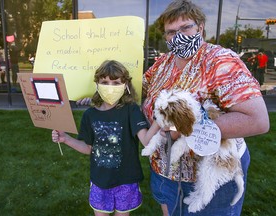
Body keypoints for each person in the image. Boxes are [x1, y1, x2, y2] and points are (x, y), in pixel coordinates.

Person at [140, 0, 270, 215]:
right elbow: (139, 91)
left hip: (211, 174)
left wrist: (185, 127)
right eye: (171, 32)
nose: (178, 36)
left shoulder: (221, 61)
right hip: (165, 171)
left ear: (200, 27)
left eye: (186, 27)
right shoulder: (164, 63)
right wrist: (100, 96)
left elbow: (257, 119)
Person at [52, 60, 159, 216]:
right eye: (105, 82)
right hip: (100, 181)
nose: (110, 87)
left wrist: (158, 120)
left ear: (126, 86)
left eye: (116, 83)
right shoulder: (90, 115)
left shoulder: (132, 110)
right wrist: (66, 139)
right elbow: (88, 148)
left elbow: (146, 141)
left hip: (126, 181)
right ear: (97, 84)